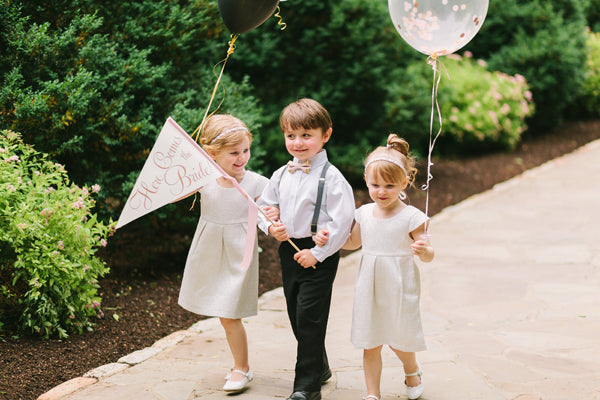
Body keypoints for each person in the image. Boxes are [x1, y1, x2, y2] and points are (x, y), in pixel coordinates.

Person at [320, 133, 434, 400]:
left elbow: (428, 256)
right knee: (370, 342)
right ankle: (373, 393)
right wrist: (329, 239)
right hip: (369, 284)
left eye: (390, 186)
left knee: (399, 339)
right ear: (366, 181)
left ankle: (412, 370)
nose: (381, 192)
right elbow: (352, 243)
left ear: (405, 182)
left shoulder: (412, 218)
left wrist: (425, 250)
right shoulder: (364, 213)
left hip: (399, 283)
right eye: (375, 185)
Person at [257, 98, 355, 400]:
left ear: (325, 135)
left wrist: (319, 253)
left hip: (319, 254)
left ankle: (306, 388)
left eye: (306, 135)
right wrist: (271, 224)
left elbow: (341, 222)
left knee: (310, 316)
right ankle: (320, 366)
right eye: (290, 135)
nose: (297, 143)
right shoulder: (281, 174)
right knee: (296, 314)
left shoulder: (334, 179)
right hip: (289, 251)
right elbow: (264, 206)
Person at [178, 114, 272, 393]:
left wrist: (272, 226)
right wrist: (188, 170)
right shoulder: (205, 179)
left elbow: (268, 213)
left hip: (237, 253)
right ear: (212, 154)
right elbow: (173, 194)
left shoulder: (256, 183)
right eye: (234, 153)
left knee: (230, 314)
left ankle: (241, 367)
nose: (242, 157)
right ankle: (240, 366)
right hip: (209, 251)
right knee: (222, 315)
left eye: (245, 150)